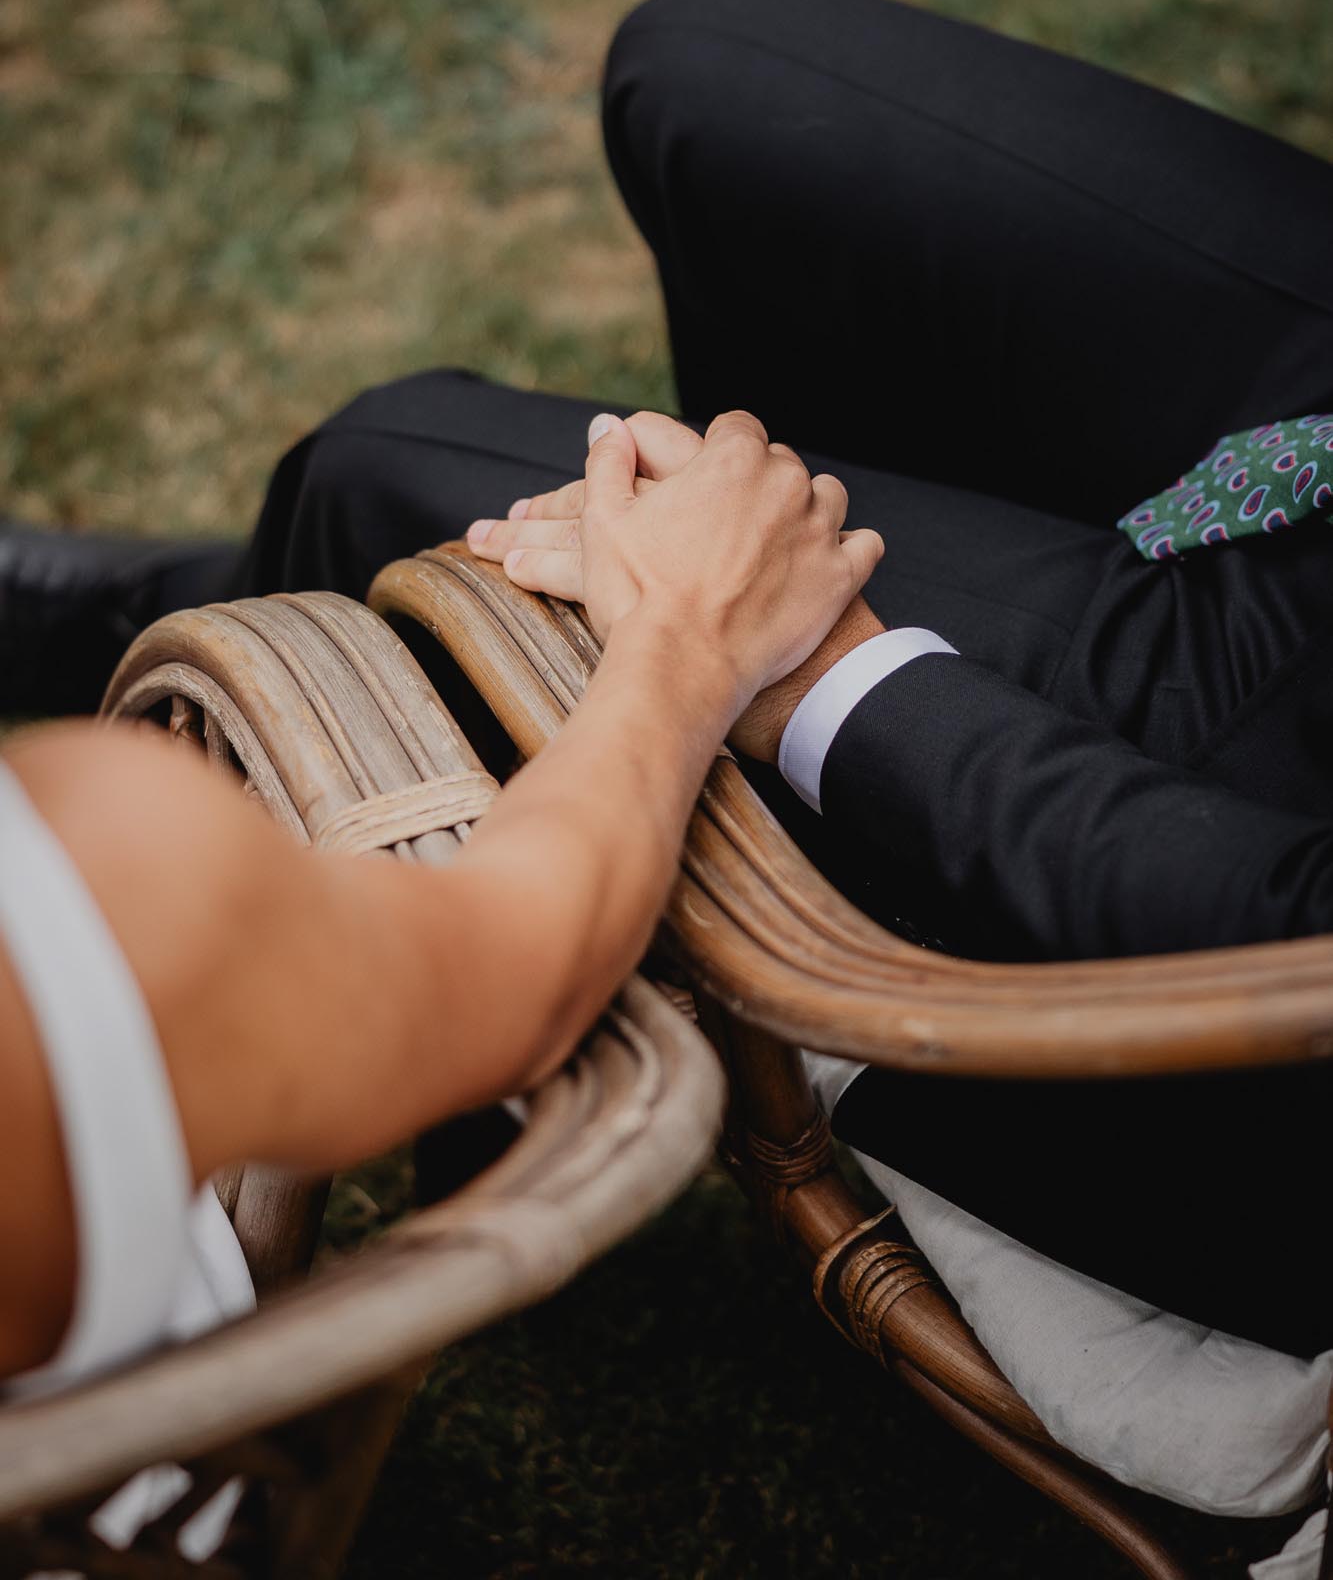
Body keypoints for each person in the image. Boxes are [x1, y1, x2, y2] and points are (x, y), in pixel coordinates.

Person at [4, 0, 1333, 1362]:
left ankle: (492, 957)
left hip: (1249, 856)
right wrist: (698, 615)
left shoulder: (127, 872)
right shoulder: (115, 858)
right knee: (705, 72)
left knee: (382, 471)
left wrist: (768, 657)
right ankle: (741, 607)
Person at [1, 409, 880, 1389]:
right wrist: (688, 637)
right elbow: (522, 965)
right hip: (122, 1462)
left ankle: (98, 609)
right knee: (368, 469)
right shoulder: (122, 880)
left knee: (368, 463)